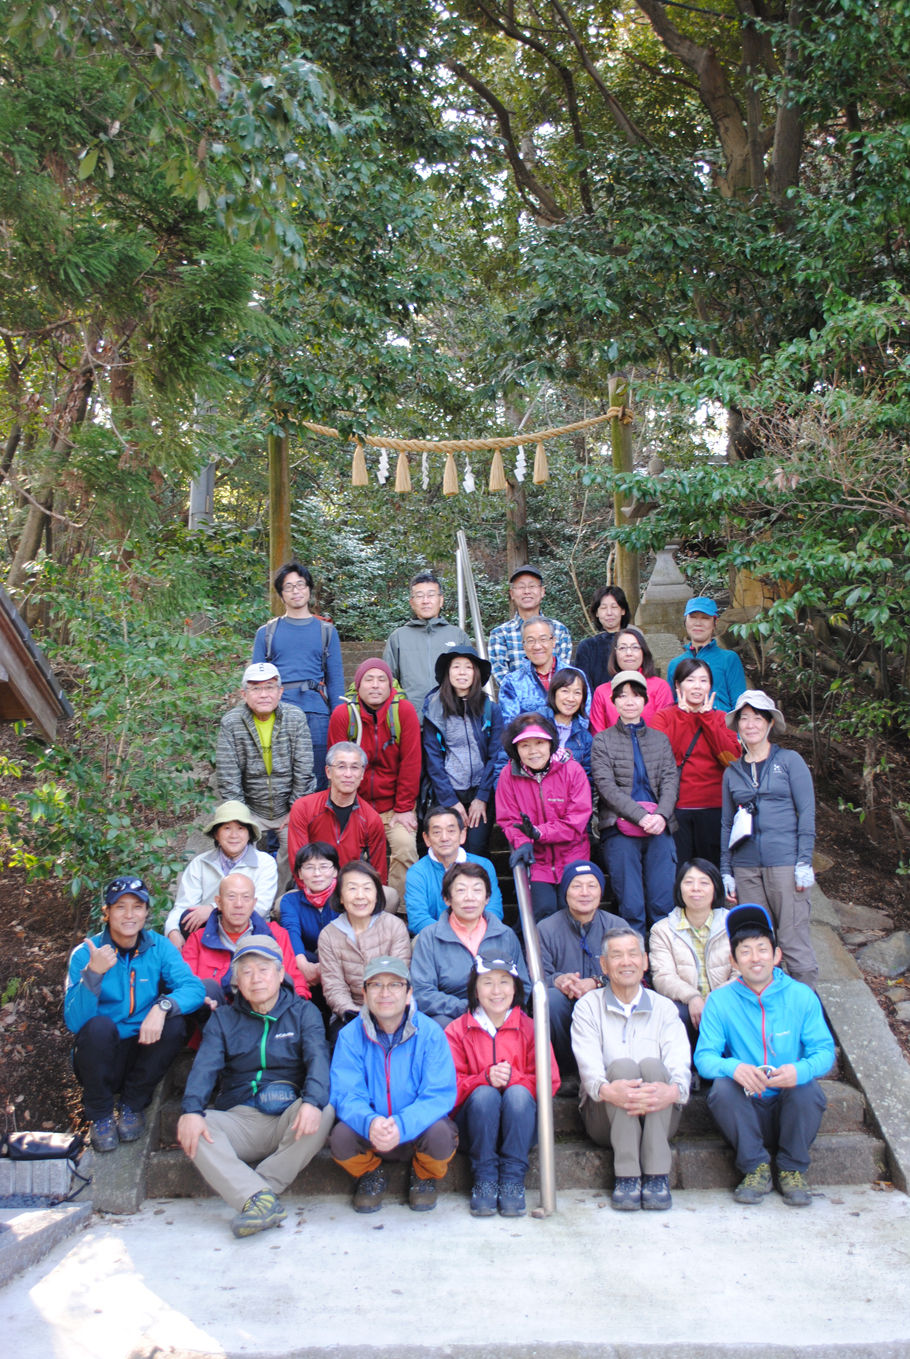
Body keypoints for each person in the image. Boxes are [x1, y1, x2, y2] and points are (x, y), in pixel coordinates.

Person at [177, 936, 333, 1237]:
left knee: (324, 1109)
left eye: (263, 969)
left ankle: (258, 1191)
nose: (256, 978)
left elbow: (318, 1061)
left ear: (279, 973)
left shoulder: (304, 1013)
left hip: (289, 1118)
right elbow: (204, 1068)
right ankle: (259, 1198)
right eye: (246, 971)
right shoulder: (223, 1019)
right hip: (240, 1118)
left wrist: (312, 1102)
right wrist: (191, 1110)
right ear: (236, 979)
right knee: (195, 1125)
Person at [694, 904, 834, 1207]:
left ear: (777, 954)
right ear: (733, 960)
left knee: (807, 1089)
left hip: (789, 1102)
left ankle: (791, 1168)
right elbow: (704, 1058)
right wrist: (734, 1067)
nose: (755, 958)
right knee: (722, 1088)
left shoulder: (801, 996)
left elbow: (824, 1052)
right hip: (747, 1104)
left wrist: (800, 1070)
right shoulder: (719, 1001)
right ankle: (755, 1166)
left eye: (762, 949)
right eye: (745, 951)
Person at [65, 876, 205, 1152]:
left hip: (143, 1047)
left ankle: (132, 1104)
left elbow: (194, 989)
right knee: (98, 1027)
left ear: (146, 912)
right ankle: (101, 1115)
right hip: (102, 1054)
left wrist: (161, 1007)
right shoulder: (85, 954)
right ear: (106, 912)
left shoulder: (158, 946)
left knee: (175, 1023)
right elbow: (75, 1022)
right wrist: (93, 973)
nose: (130, 915)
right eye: (120, 907)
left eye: (137, 906)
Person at [571, 927, 690, 1211]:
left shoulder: (664, 1008)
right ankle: (626, 1175)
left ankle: (657, 1175)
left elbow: (679, 1059)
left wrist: (673, 1092)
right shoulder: (588, 1007)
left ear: (645, 961)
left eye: (632, 954)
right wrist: (608, 1090)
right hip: (604, 1114)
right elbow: (589, 1067)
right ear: (603, 964)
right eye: (617, 955)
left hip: (658, 1114)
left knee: (652, 1065)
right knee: (622, 1067)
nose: (626, 962)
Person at [329, 956, 458, 1213]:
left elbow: (438, 1094)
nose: (385, 993)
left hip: (416, 1131)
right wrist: (371, 1122)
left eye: (395, 985)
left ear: (408, 993)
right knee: (340, 1138)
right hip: (373, 1134)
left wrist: (402, 1124)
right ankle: (370, 1174)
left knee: (442, 1136)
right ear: (364, 994)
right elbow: (346, 1093)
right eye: (376, 985)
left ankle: (424, 1174)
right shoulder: (349, 1036)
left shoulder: (431, 1033)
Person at [445, 952, 560, 1217]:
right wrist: (483, 1078)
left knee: (518, 1093)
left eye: (504, 981)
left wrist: (513, 1079)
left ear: (516, 987)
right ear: (475, 988)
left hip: (521, 1124)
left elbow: (551, 1082)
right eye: (487, 982)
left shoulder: (532, 1028)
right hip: (473, 1126)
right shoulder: (457, 1030)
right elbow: (447, 1088)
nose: (496, 991)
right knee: (484, 1094)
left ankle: (512, 1178)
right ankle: (484, 1178)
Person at [721, 690, 819, 989]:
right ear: (737, 725)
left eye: (757, 719)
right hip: (746, 866)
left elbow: (807, 813)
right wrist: (726, 870)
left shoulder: (790, 761)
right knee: (756, 945)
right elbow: (726, 824)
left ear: (770, 723)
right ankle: (765, 1015)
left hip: (784, 863)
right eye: (744, 719)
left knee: (792, 940)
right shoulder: (733, 771)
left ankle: (809, 1018)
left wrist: (804, 860)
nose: (751, 725)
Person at [591, 672, 679, 937]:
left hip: (660, 827)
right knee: (631, 905)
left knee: (663, 903)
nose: (630, 701)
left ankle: (663, 967)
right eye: (623, 696)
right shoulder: (602, 741)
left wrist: (661, 815)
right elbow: (606, 787)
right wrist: (640, 816)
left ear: (645, 700)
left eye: (636, 695)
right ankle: (636, 969)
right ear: (613, 702)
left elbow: (670, 781)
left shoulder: (659, 739)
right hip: (619, 827)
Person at [215, 661, 315, 893]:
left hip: (288, 808)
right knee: (238, 846)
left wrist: (295, 809)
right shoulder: (231, 723)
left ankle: (278, 900)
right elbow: (228, 775)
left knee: (293, 850)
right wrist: (242, 816)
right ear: (244, 693)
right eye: (256, 688)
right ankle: (246, 898)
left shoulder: (295, 717)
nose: (263, 694)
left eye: (270, 688)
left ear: (280, 692)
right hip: (250, 808)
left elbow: (304, 767)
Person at [327, 658, 421, 899]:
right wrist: (348, 807)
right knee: (344, 852)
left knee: (405, 847)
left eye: (382, 679)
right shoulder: (343, 714)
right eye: (369, 679)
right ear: (358, 686)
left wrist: (404, 808)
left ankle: (399, 910)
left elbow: (411, 763)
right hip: (355, 804)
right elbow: (337, 768)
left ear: (390, 686)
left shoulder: (403, 712)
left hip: (394, 807)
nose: (376, 685)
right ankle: (349, 904)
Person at [251, 562, 345, 789]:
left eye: (300, 585)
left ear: (309, 589)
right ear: (281, 595)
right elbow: (255, 680)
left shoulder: (326, 631)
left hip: (317, 715)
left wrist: (339, 717)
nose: (295, 591)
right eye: (289, 587)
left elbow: (336, 680)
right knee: (279, 778)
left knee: (319, 779)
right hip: (278, 713)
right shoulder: (266, 633)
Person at [496, 712, 594, 923]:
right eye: (524, 746)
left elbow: (576, 821)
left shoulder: (573, 771)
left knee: (574, 913)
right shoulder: (508, 775)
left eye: (539, 743)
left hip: (572, 854)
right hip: (537, 860)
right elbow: (508, 818)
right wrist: (522, 842)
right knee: (543, 913)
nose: (533, 751)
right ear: (516, 750)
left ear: (551, 743)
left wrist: (540, 832)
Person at [410, 862, 529, 1026]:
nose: (469, 897)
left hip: (500, 1014)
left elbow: (524, 985)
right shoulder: (429, 937)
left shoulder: (505, 935)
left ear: (487, 898)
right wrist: (468, 1008)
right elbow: (422, 992)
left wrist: (496, 1009)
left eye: (477, 890)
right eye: (460, 890)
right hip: (452, 1016)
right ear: (447, 899)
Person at [538, 861, 626, 1077]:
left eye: (592, 886)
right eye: (577, 886)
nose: (584, 893)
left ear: (601, 891)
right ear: (565, 891)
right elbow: (537, 977)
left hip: (605, 1001)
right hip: (567, 1001)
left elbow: (631, 974)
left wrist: (595, 983)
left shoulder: (617, 926)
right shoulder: (546, 928)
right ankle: (566, 1072)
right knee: (550, 999)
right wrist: (559, 980)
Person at [651, 658, 741, 868]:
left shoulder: (720, 718)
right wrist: (683, 718)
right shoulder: (663, 717)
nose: (698, 686)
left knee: (712, 872)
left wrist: (707, 719)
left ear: (711, 685)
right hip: (677, 807)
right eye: (690, 680)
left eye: (704, 680)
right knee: (679, 871)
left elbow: (731, 759)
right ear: (677, 685)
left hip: (715, 807)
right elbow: (661, 759)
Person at [422, 646, 504, 857]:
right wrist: (450, 801)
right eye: (456, 667)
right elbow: (433, 760)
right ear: (447, 673)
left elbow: (496, 755)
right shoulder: (434, 711)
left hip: (481, 791)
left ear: (476, 673)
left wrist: (482, 797)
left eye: (468, 667)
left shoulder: (490, 709)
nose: (462, 672)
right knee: (448, 850)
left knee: (476, 849)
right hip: (447, 791)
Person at [181, 871, 311, 1005]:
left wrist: (298, 1006)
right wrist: (202, 1002)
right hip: (215, 1014)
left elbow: (294, 979)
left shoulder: (275, 934)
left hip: (265, 1013)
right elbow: (185, 983)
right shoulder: (198, 939)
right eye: (231, 897)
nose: (239, 904)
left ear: (254, 903)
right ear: (218, 902)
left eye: (246, 897)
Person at [163, 801, 278, 948]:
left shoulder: (265, 863)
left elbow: (261, 907)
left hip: (250, 930)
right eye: (227, 828)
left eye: (241, 828)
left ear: (249, 834)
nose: (234, 835)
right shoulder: (200, 863)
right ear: (216, 834)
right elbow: (183, 905)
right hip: (207, 932)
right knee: (186, 918)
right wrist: (173, 931)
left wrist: (212, 909)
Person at [286, 742, 391, 901]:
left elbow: (378, 872)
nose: (348, 774)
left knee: (391, 896)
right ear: (328, 772)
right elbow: (297, 861)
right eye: (341, 767)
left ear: (362, 773)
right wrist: (318, 895)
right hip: (312, 886)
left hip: (351, 893)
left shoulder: (371, 818)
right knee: (283, 904)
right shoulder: (304, 807)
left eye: (355, 767)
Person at [648, 859, 735, 1050]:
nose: (696, 889)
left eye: (704, 883)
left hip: (727, 1001)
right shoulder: (662, 930)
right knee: (673, 1013)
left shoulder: (733, 924)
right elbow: (663, 977)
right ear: (679, 889)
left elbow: (742, 972)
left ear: (715, 888)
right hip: (686, 1006)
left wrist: (715, 999)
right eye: (688, 882)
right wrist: (693, 997)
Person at [317, 861, 411, 1034]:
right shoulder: (328, 935)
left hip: (393, 1007)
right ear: (341, 897)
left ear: (377, 895)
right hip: (350, 1013)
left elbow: (398, 977)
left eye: (367, 888)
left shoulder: (394, 926)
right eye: (352, 889)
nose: (360, 896)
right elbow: (334, 987)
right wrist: (354, 1013)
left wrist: (382, 1014)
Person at [404, 805, 503, 935]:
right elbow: (418, 919)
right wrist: (454, 937)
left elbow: (494, 910)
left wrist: (472, 935)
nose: (444, 838)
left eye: (451, 831)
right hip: (437, 939)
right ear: (426, 838)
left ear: (462, 835)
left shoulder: (483, 865)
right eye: (437, 832)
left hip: (479, 936)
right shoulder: (417, 873)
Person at [383, 570, 470, 716]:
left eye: (431, 595)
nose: (425, 600)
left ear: (441, 600)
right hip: (411, 718)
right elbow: (388, 679)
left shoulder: (457, 635)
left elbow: (470, 676)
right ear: (412, 602)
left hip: (451, 716)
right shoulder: (398, 637)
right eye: (419, 596)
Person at [488, 566, 572, 686]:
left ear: (542, 591)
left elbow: (563, 673)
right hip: (517, 702)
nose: (526, 591)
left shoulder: (559, 630)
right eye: (521, 587)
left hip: (554, 700)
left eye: (532, 586)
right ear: (512, 594)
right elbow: (502, 677)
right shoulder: (500, 634)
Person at [666, 596, 747, 714]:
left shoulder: (728, 659)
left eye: (705, 618)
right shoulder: (675, 664)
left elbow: (739, 703)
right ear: (685, 621)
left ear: (715, 623)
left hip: (719, 727)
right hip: (686, 727)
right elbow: (669, 706)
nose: (698, 623)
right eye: (693, 617)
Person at [277, 843, 339, 991]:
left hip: (342, 959)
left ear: (335, 871)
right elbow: (291, 931)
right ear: (299, 873)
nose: (317, 873)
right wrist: (303, 965)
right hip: (309, 959)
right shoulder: (290, 901)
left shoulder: (345, 896)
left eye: (324, 866)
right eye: (309, 867)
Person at [589, 627, 673, 731]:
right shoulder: (602, 691)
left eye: (635, 647)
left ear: (643, 652)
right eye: (622, 648)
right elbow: (598, 734)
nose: (629, 653)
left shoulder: (660, 686)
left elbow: (665, 729)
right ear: (615, 654)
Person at [497, 616, 563, 726]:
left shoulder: (573, 677)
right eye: (530, 640)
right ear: (524, 645)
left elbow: (583, 719)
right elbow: (509, 725)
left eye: (543, 639)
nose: (537, 646)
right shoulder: (512, 682)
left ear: (553, 641)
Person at [574, 585, 631, 693]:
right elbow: (583, 685)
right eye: (603, 608)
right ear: (596, 613)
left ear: (623, 610)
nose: (609, 613)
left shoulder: (634, 642)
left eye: (614, 607)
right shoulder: (587, 646)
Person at [546, 666, 592, 777]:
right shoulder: (534, 724)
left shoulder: (584, 738)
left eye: (577, 693)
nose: (571, 698)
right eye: (565, 691)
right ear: (554, 692)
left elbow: (587, 778)